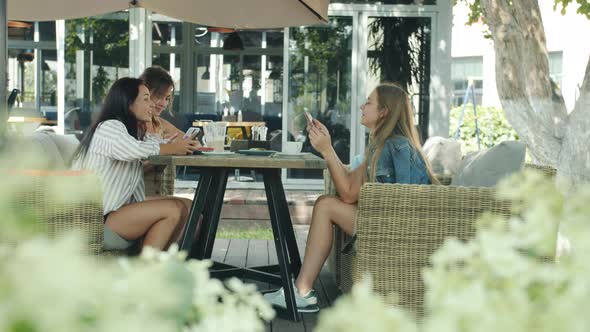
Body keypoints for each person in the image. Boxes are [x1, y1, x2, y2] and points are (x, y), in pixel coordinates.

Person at [264, 83, 439, 312]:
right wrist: (327, 147)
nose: (361, 106)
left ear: (384, 111)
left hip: (400, 228)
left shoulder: (396, 147)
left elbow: (352, 194)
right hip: (386, 220)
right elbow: (349, 186)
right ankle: (301, 291)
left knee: (326, 206)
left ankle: (302, 291)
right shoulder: (382, 145)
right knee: (325, 204)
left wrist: (327, 150)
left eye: (368, 102)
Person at [71, 77, 199, 251]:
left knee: (189, 206)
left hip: (118, 209)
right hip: (96, 218)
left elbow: (144, 145)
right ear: (128, 103)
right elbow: (134, 150)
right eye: (146, 99)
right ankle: (146, 270)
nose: (152, 105)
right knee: (174, 209)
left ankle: (164, 260)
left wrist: (170, 144)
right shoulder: (109, 127)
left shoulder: (132, 131)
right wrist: (170, 147)